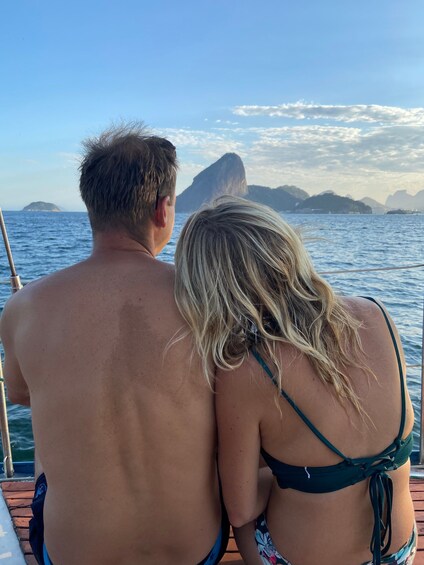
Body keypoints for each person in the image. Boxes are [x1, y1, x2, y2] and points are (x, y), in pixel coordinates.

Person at [0, 124, 228, 565]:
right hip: (197, 552)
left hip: (69, 556)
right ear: (163, 210)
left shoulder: (23, 308)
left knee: (48, 448)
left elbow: (20, 395)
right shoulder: (209, 299)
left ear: (92, 208)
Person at [174, 197, 416, 565]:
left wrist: (287, 479)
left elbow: (241, 509)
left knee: (239, 507)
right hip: (397, 552)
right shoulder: (377, 313)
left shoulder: (249, 370)